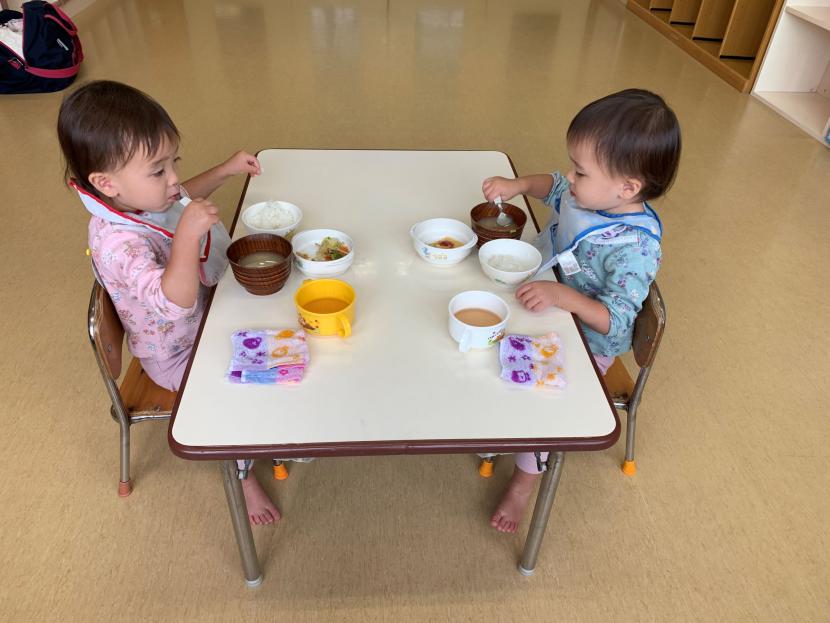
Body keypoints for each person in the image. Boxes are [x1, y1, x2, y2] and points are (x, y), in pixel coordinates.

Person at [58, 80, 279, 526]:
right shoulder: (118, 244)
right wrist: (186, 238)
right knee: (233, 396)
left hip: (203, 315)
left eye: (172, 161)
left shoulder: (129, 199)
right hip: (175, 350)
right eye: (158, 170)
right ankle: (242, 475)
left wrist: (224, 170)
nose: (174, 178)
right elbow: (173, 302)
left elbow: (173, 202)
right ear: (107, 183)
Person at [481, 89, 681, 533]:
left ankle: (523, 483)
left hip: (588, 341)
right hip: (549, 300)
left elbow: (617, 321)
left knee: (539, 406)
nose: (569, 177)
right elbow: (552, 186)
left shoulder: (634, 248)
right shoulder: (590, 195)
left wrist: (562, 298)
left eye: (581, 170)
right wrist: (518, 187)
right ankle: (497, 427)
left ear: (627, 188)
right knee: (484, 337)